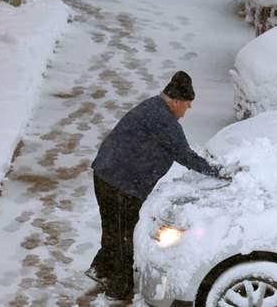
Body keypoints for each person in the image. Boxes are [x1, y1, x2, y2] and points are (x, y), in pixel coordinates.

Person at [86, 70, 227, 300]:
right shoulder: (164, 120)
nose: (188, 109)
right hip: (120, 183)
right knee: (124, 234)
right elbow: (186, 156)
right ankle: (118, 288)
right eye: (187, 104)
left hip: (105, 173)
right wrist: (218, 171)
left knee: (112, 228)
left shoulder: (152, 107)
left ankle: (102, 269)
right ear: (176, 101)